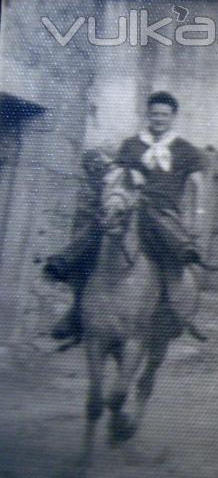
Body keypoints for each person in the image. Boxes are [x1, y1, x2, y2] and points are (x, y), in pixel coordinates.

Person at [44, 91, 207, 345]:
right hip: (129, 204)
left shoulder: (186, 150)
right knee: (97, 235)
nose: (159, 119)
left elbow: (197, 184)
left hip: (163, 209)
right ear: (148, 115)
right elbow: (118, 176)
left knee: (170, 250)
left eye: (164, 114)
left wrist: (197, 215)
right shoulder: (131, 144)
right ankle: (73, 297)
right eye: (154, 114)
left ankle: (176, 308)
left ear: (173, 116)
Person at [42, 149, 114, 347]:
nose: (97, 170)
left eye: (101, 166)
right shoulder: (87, 186)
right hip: (94, 235)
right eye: (92, 167)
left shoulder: (115, 179)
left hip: (119, 220)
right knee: (82, 273)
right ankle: (77, 317)